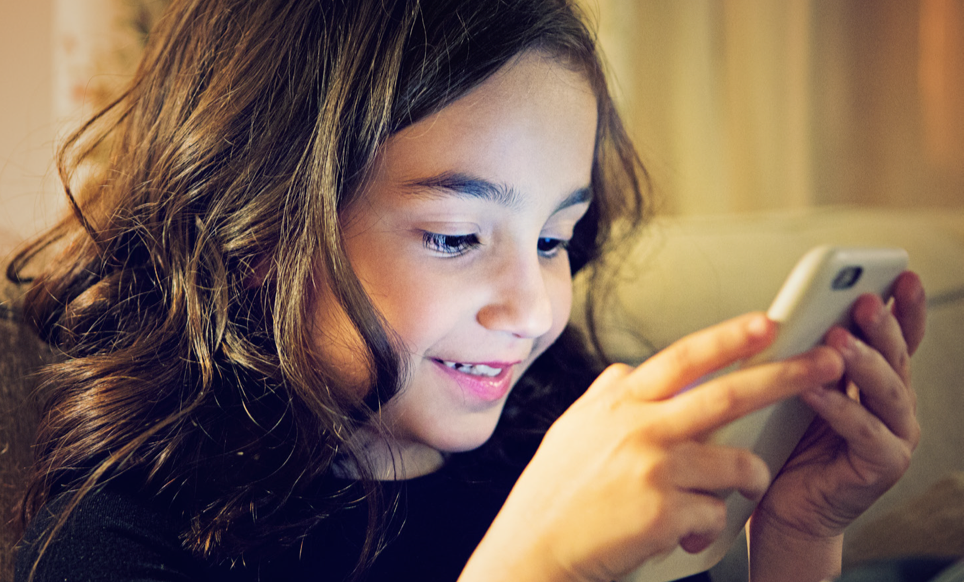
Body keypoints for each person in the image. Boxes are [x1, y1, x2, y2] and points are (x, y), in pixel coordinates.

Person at [11, 0, 926, 581]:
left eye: (554, 238)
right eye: (455, 237)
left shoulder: (563, 432)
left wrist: (799, 539)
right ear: (257, 231)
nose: (530, 308)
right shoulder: (119, 542)